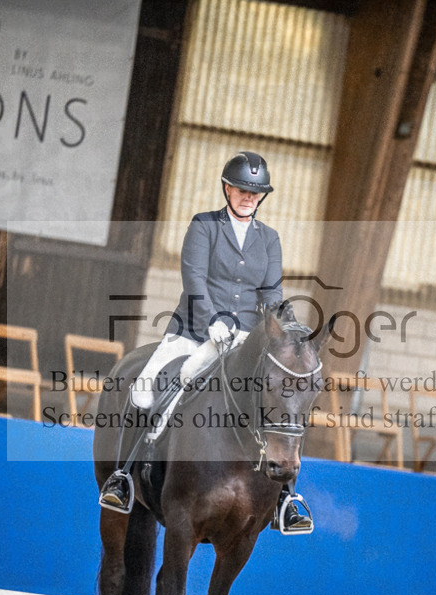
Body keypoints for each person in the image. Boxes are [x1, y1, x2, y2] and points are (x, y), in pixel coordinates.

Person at [99, 151, 313, 534]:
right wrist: (211, 319)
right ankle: (125, 476)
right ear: (227, 188)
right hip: (194, 332)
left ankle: (286, 499)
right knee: (146, 390)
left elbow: (272, 292)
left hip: (247, 339)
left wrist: (281, 324)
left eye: (255, 191)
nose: (248, 196)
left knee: (283, 400)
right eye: (242, 189)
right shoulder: (204, 226)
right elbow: (194, 277)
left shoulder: (269, 239)